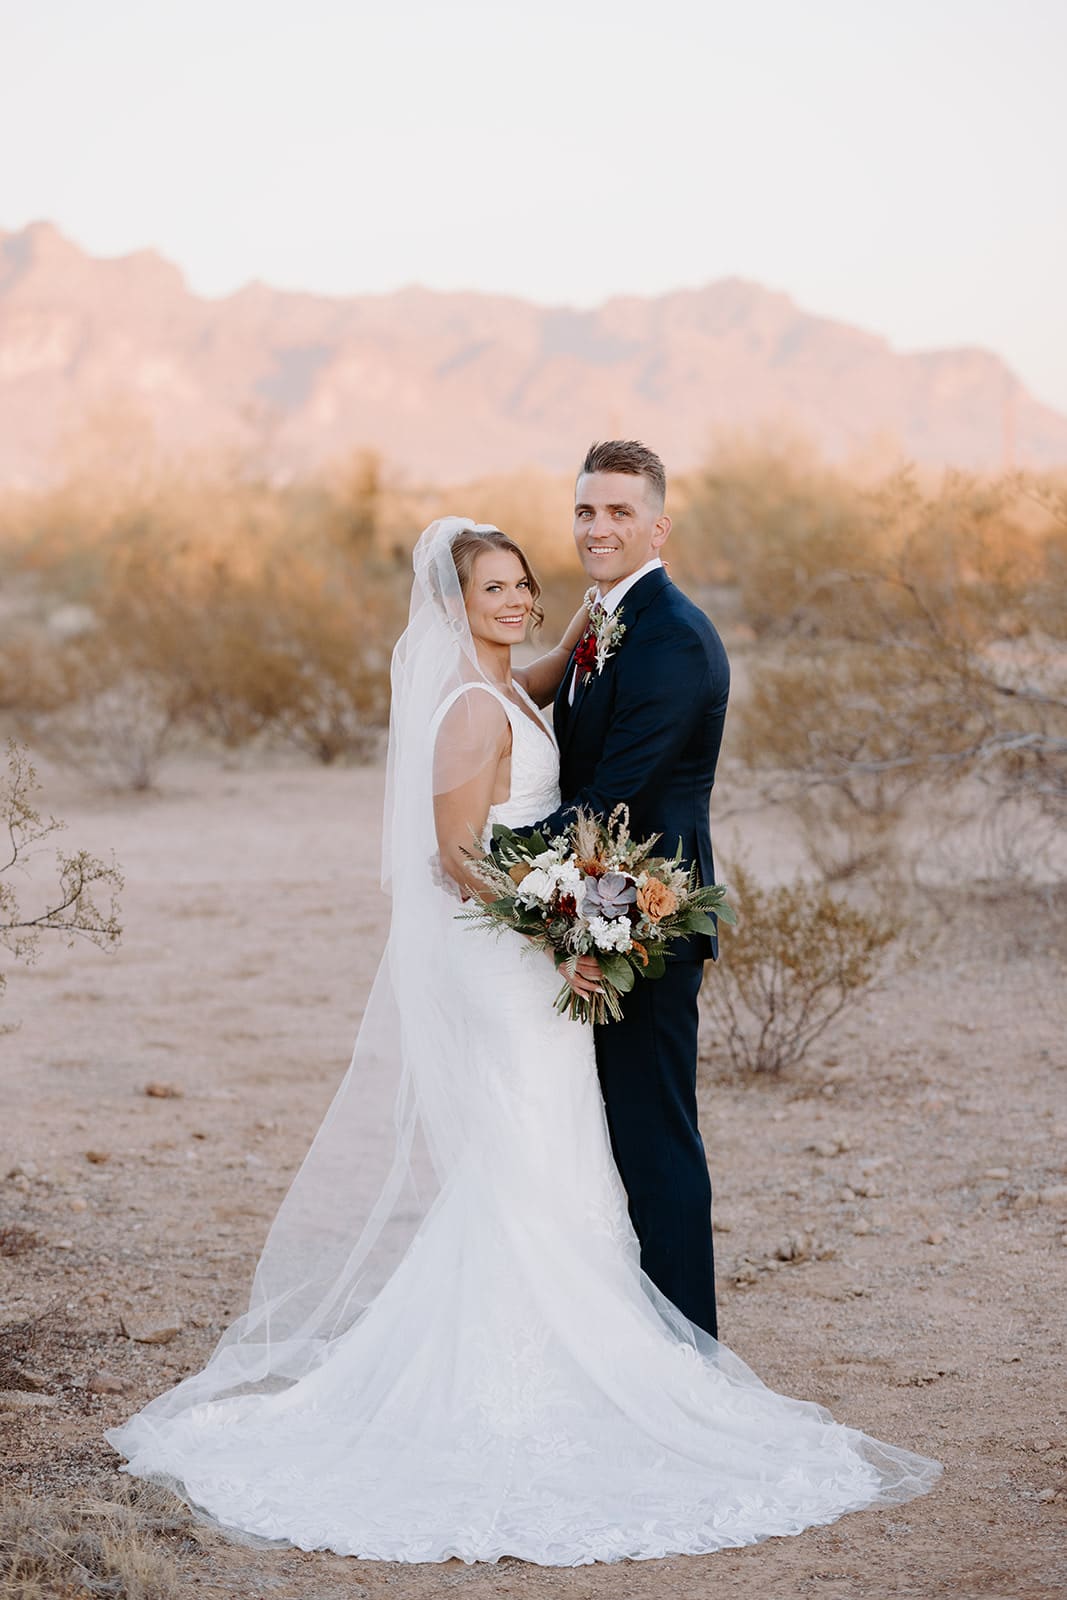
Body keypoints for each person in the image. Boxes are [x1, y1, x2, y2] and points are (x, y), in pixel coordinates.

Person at [105, 512, 940, 1565]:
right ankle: (520, 1371)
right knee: (530, 1149)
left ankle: (584, 1347)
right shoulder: (464, 707)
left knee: (554, 1146)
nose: (510, 599)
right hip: (501, 953)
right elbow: (454, 851)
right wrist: (557, 935)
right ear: (452, 605)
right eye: (489, 588)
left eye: (519, 583)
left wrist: (589, 622)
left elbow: (545, 675)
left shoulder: (511, 682)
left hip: (527, 942)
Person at [518, 439, 728, 1338]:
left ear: (657, 525)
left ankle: (689, 1356)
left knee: (653, 1138)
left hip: (647, 924)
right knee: (602, 1137)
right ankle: (627, 1342)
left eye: (617, 512)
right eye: (583, 511)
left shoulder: (673, 639)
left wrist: (485, 855)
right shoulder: (607, 622)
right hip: (594, 912)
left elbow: (612, 801)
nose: (596, 527)